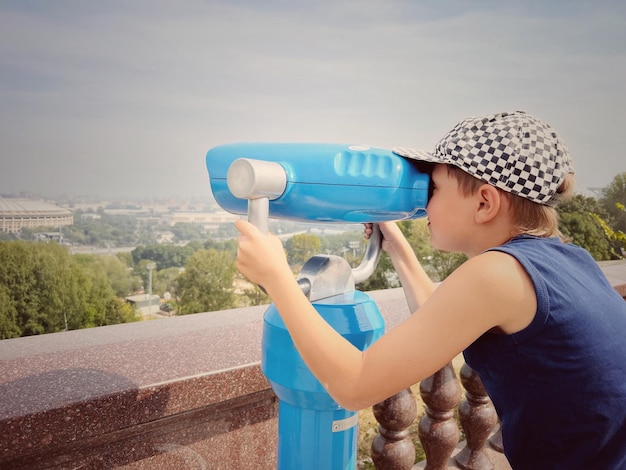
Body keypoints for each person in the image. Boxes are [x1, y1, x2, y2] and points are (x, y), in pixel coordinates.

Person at [235, 111, 626, 469]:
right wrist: (399, 250)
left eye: (434, 188)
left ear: (485, 202)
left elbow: (354, 385)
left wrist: (277, 278)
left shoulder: (497, 273)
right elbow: (442, 319)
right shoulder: (568, 259)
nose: (422, 203)